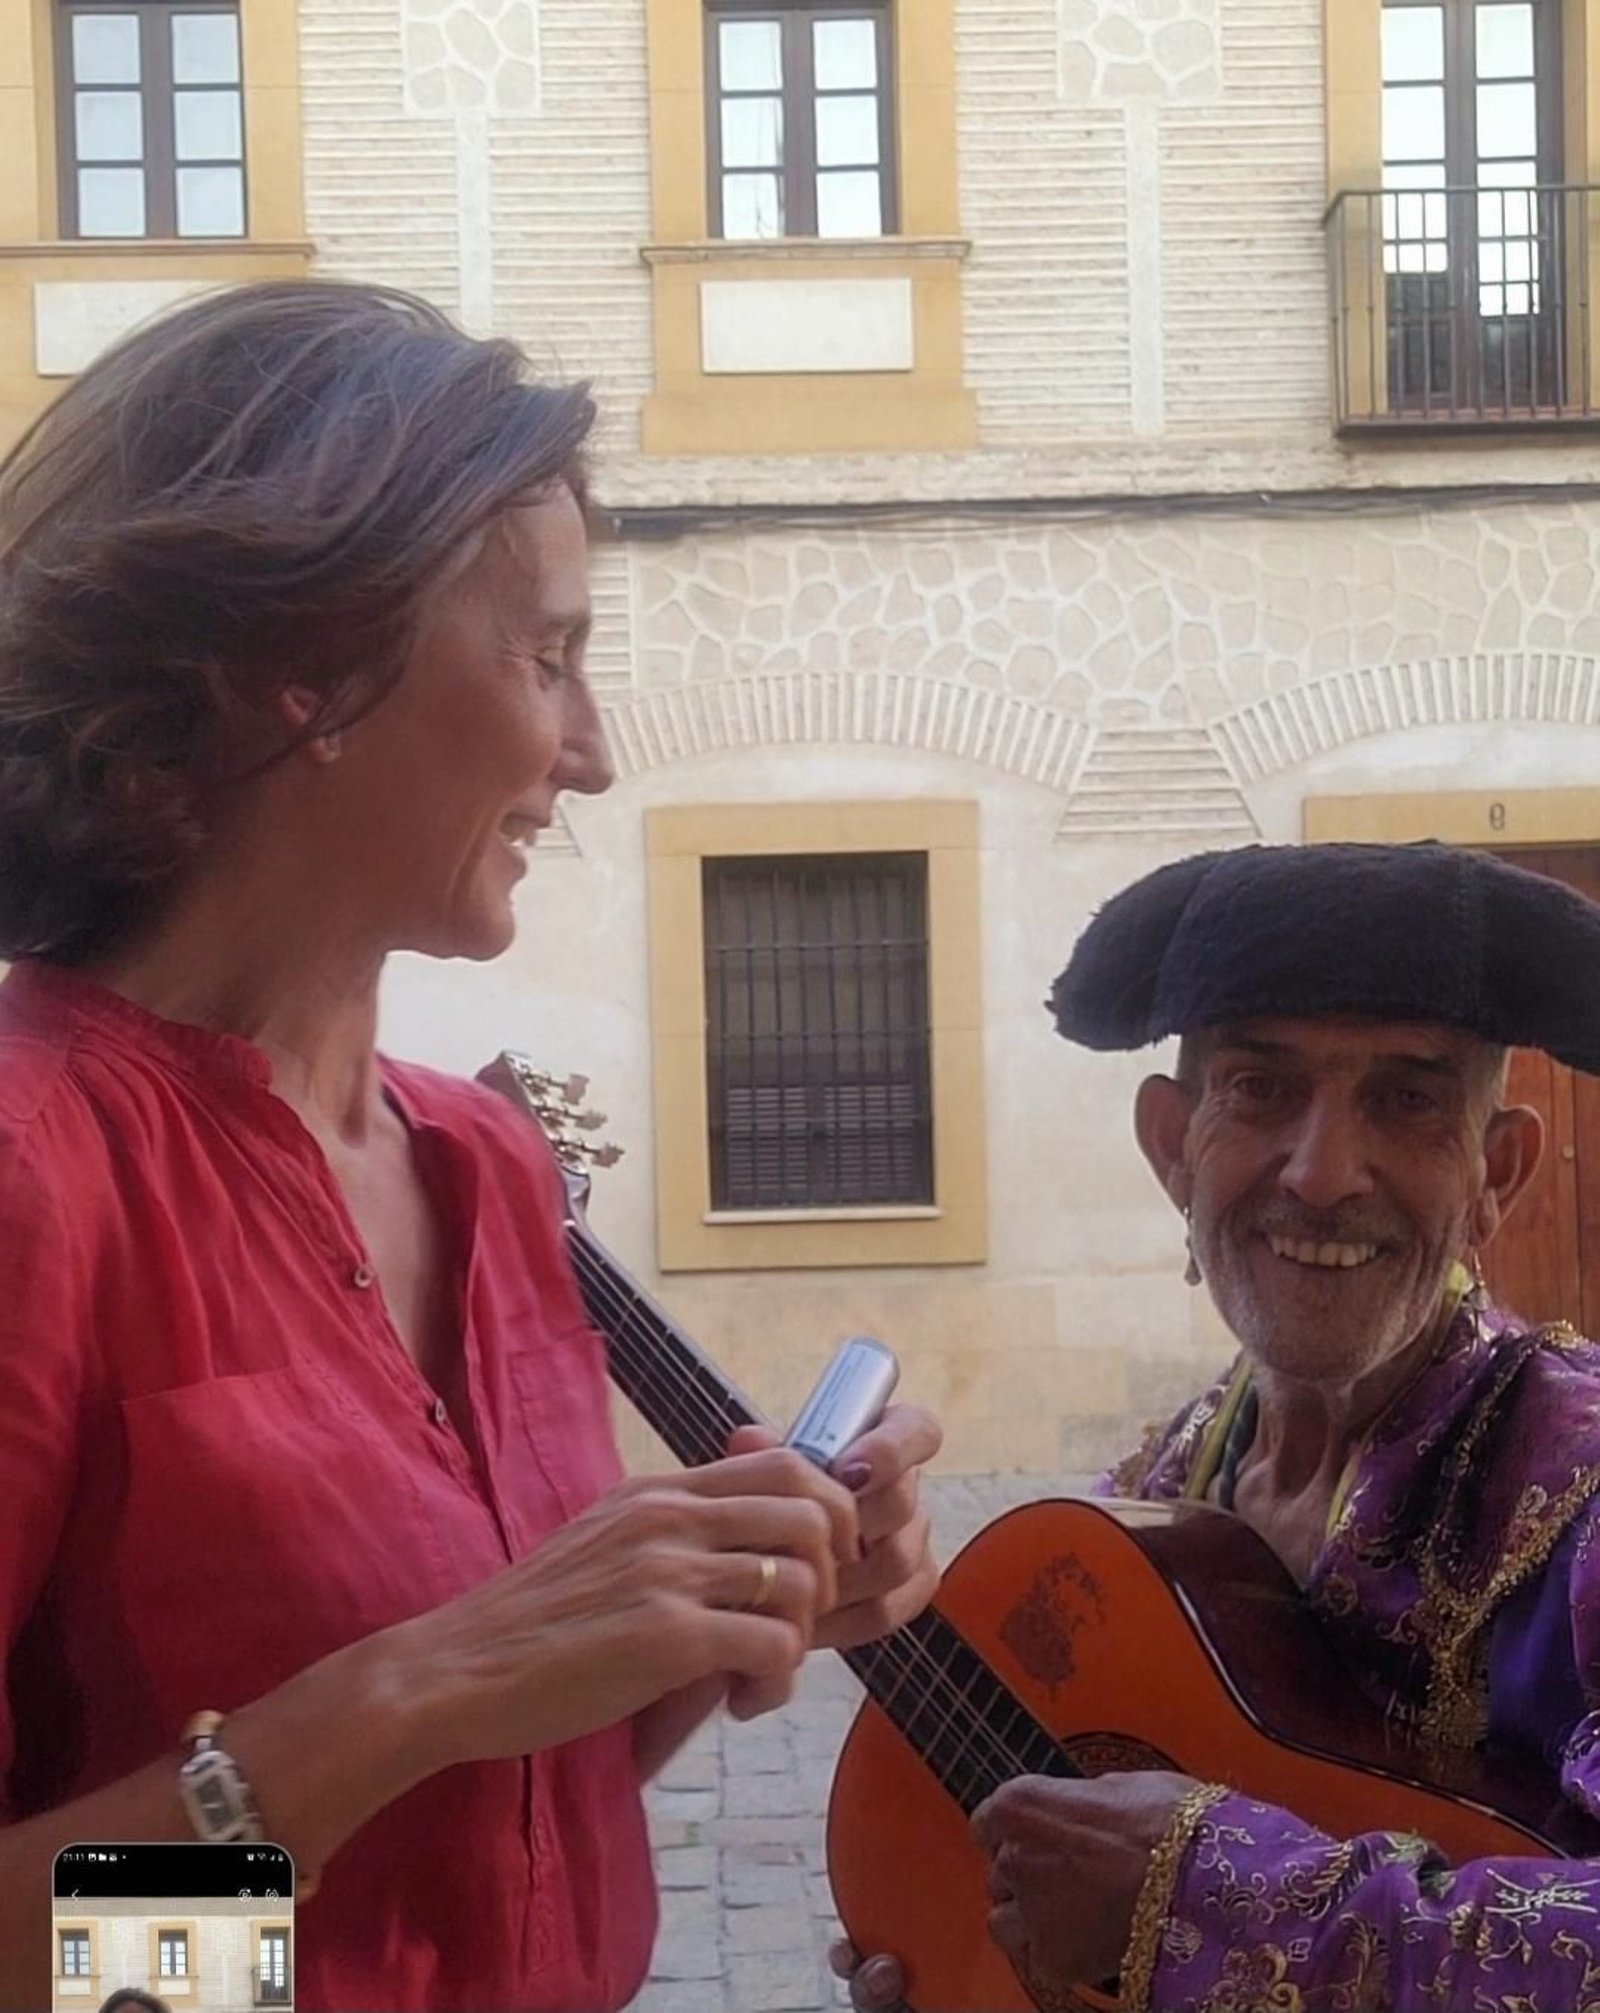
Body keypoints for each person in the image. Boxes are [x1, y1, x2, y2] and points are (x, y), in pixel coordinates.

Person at [0, 280, 943, 2013]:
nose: (586, 753)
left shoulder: (489, 1166)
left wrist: (719, 1597)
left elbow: (493, 1811)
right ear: (305, 671)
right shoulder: (32, 1172)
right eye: (550, 655)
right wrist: (402, 1692)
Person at [837, 840, 1600, 2012]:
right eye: (1260, 1087)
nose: (1320, 1170)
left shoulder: (1581, 1496)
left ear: (1496, 1172)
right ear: (1169, 1148)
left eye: (1405, 1098)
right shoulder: (1153, 1495)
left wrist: (1204, 1902)